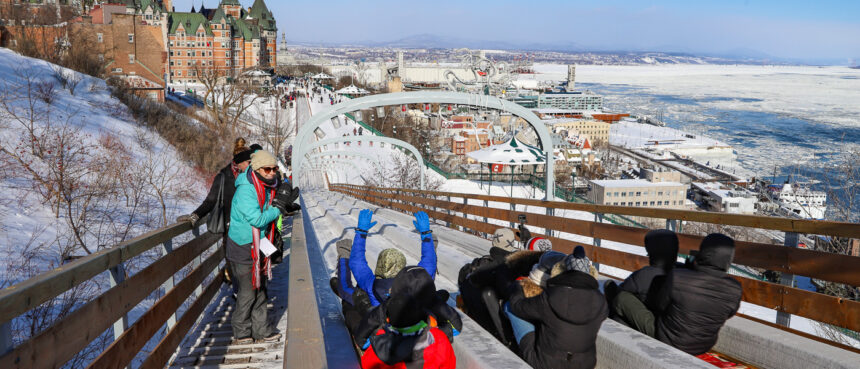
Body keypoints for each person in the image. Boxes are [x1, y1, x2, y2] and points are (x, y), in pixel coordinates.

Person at [613, 233, 742, 355]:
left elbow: (660, 305)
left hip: (668, 340)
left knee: (622, 297)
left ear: (703, 253)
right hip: (703, 346)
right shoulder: (735, 289)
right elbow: (727, 314)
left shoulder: (678, 277)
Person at [226, 150, 300, 344]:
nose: (272, 173)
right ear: (257, 169)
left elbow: (268, 207)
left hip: (260, 243)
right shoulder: (246, 190)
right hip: (243, 245)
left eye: (275, 168)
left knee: (261, 288)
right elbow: (258, 219)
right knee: (249, 290)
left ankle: (261, 329)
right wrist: (278, 208)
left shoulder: (266, 185)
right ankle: (241, 330)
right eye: (267, 169)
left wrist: (285, 206)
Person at [503, 247, 608, 369]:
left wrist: (518, 287)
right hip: (585, 364)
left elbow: (518, 307)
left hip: (546, 364)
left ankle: (508, 342)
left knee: (509, 307)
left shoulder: (551, 296)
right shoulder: (601, 302)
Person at [357, 267, 457, 369]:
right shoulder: (440, 339)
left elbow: (367, 364)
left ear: (388, 319)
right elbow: (450, 364)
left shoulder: (378, 346)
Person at [349, 209, 437, 307]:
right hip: (407, 320)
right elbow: (429, 263)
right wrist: (426, 234)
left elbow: (356, 262)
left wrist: (361, 232)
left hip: (381, 320)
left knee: (359, 295)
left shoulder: (371, 284)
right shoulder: (414, 284)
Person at [604, 229, 679, 320]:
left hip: (651, 322)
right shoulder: (682, 273)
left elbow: (620, 292)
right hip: (672, 322)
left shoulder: (643, 275)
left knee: (611, 288)